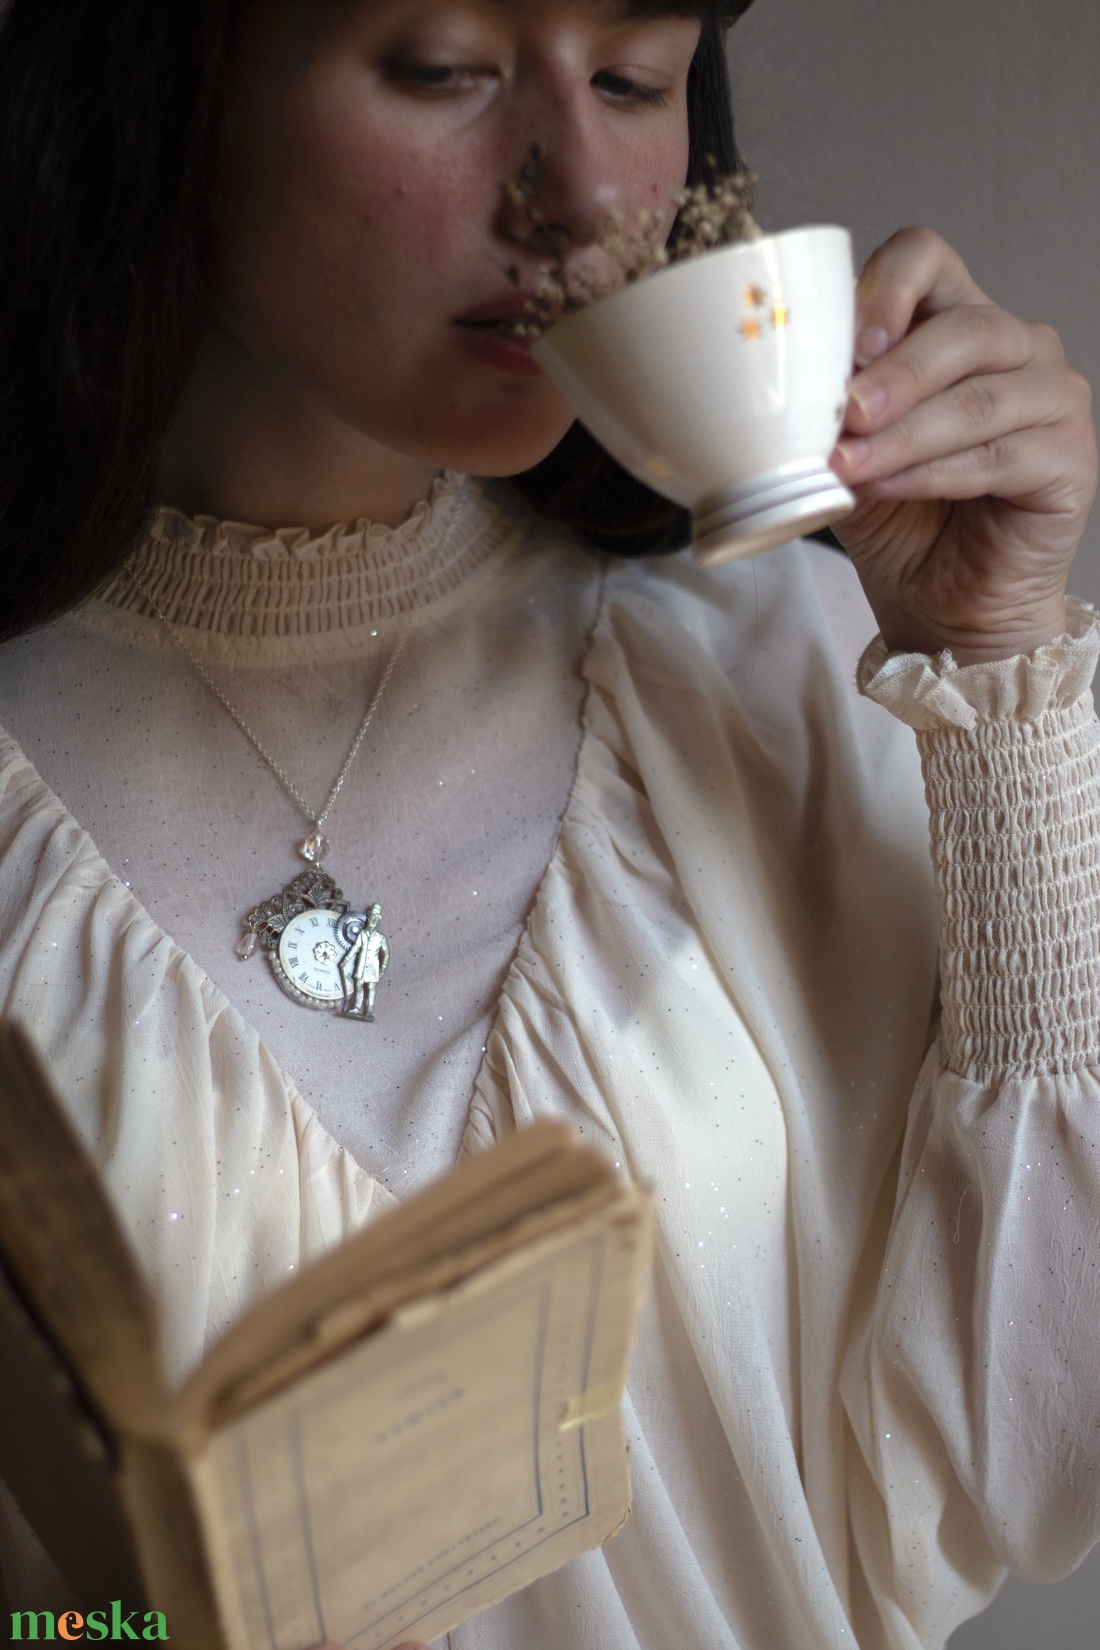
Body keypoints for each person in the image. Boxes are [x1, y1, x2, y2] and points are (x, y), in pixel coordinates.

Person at [0, 1, 1098, 1647]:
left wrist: (1006, 678)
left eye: (635, 79)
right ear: (167, 93)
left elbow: (1046, 1442)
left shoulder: (797, 679)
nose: (580, 196)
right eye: (442, 67)